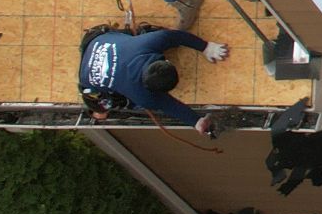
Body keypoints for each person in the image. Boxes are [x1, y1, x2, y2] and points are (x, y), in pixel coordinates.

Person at [79, 25, 230, 136]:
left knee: (148, 33)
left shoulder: (146, 44)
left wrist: (206, 47)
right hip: (88, 74)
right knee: (117, 103)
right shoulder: (141, 96)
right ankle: (98, 111)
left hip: (96, 41)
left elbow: (174, 36)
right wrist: (196, 121)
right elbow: (168, 105)